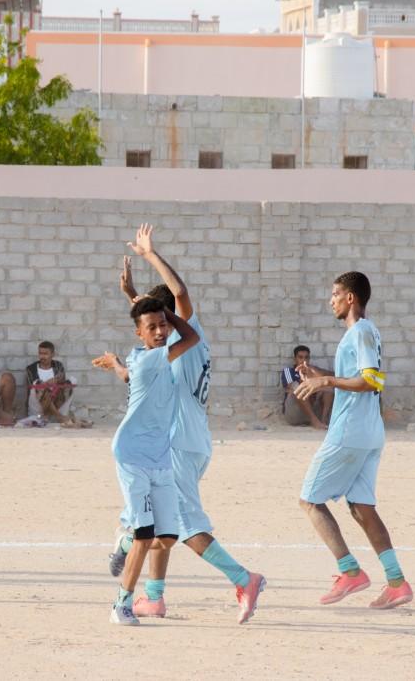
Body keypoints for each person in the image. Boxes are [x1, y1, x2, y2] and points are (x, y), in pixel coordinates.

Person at [106, 224, 265, 625]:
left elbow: (178, 294)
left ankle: (244, 579)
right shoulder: (184, 345)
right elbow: (152, 325)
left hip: (177, 444)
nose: (158, 329)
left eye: (163, 322)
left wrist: (150, 255)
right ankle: (153, 597)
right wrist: (131, 294)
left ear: (171, 320)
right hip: (189, 441)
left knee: (185, 525)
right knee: (164, 525)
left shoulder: (184, 337)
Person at [294, 271, 414, 610]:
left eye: (335, 294)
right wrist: (319, 376)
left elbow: (372, 380)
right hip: (370, 431)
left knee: (309, 501)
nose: (330, 300)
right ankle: (397, 583)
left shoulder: (359, 331)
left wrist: (327, 382)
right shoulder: (367, 331)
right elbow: (359, 377)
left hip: (350, 431)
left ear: (350, 298)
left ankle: (350, 571)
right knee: (362, 507)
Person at [92, 294, 199, 625]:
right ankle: (121, 605)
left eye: (163, 325)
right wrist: (166, 309)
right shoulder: (153, 359)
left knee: (166, 538)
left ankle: (123, 542)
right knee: (145, 534)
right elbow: (192, 337)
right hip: (132, 455)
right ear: (139, 333)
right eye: (152, 327)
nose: (160, 332)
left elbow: (126, 375)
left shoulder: (137, 357)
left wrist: (114, 363)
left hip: (160, 457)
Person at [282, 345, 334, 430]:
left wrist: (315, 372)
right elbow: (290, 387)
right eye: (300, 357)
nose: (304, 360)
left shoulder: (312, 370)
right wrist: (310, 382)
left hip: (314, 410)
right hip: (294, 413)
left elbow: (333, 377)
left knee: (328, 387)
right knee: (297, 388)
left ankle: (323, 420)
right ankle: (314, 421)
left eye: (306, 357)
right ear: (295, 359)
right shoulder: (289, 371)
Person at [25, 341, 76, 424]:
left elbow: (62, 388)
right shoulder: (31, 369)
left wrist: (58, 381)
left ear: (52, 354)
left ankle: (49, 415)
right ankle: (58, 416)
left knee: (72, 381)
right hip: (38, 409)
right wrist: (47, 383)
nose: (42, 356)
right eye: (40, 353)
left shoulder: (58, 366)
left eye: (45, 354)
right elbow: (33, 389)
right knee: (38, 384)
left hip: (56, 403)